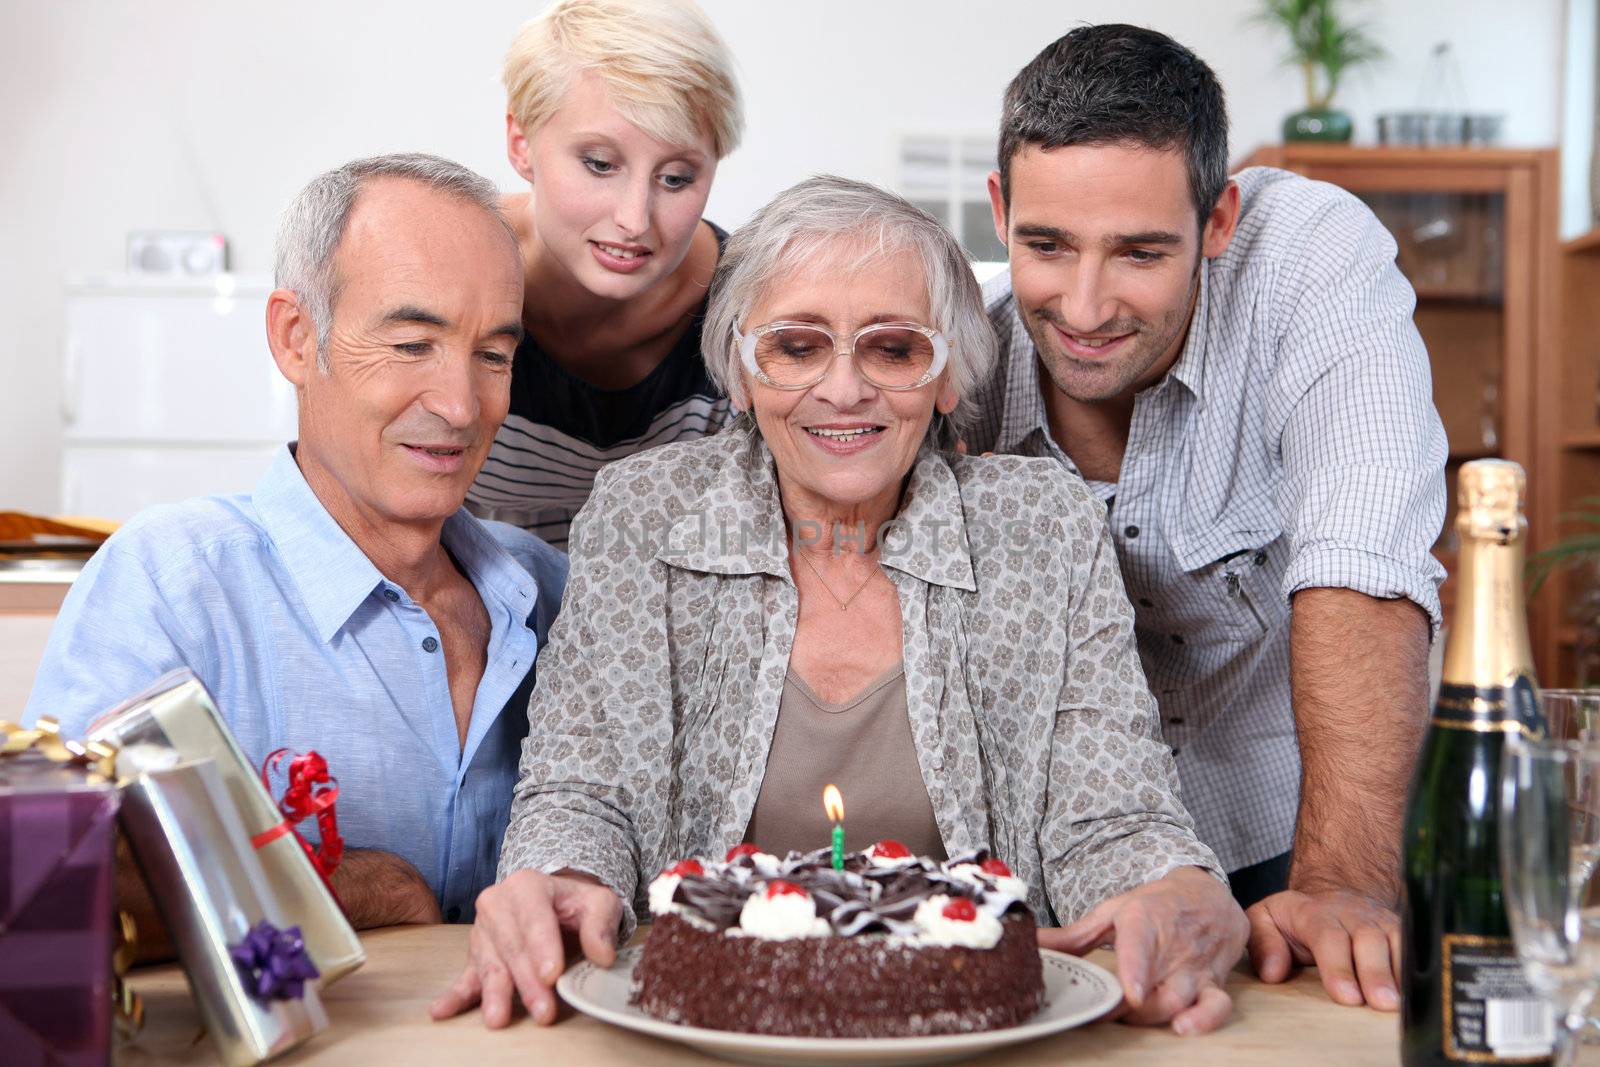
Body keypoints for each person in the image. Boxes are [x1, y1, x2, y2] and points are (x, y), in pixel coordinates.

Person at [432, 176, 1249, 1034]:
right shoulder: (644, 515)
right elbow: (580, 789)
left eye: (893, 349)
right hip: (702, 1036)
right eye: (796, 347)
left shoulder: (1041, 527)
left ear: (943, 378)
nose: (846, 388)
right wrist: (564, 881)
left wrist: (1167, 884)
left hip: (979, 1038)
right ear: (743, 374)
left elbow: (1111, 813)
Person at [968, 25, 1446, 1012]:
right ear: (999, 210)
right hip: (1076, 857)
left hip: (1314, 820)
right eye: (1046, 245)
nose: (1085, 305)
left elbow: (1359, 563)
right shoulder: (959, 345)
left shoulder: (1309, 254)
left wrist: (1343, 883)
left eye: (1140, 251)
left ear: (1217, 218)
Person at [24, 153, 568, 932]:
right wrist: (355, 885)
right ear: (293, 337)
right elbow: (52, 874)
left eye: (493, 355)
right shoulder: (172, 583)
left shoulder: (549, 589)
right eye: (412, 344)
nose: (459, 405)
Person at [466, 0, 744, 548]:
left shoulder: (748, 311)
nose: (634, 220)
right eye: (599, 164)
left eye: (676, 178)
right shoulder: (445, 274)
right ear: (521, 143)